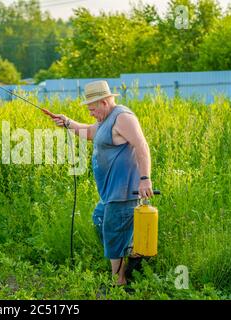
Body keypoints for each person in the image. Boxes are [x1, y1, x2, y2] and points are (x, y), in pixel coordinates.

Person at [44, 80, 154, 285]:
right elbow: (90, 132)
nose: (91, 113)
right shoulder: (106, 120)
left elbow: (142, 145)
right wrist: (67, 122)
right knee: (100, 220)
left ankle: (119, 282)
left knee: (114, 233)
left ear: (104, 102)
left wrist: (145, 179)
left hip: (124, 191)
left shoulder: (122, 117)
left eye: (92, 108)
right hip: (110, 192)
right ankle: (133, 257)